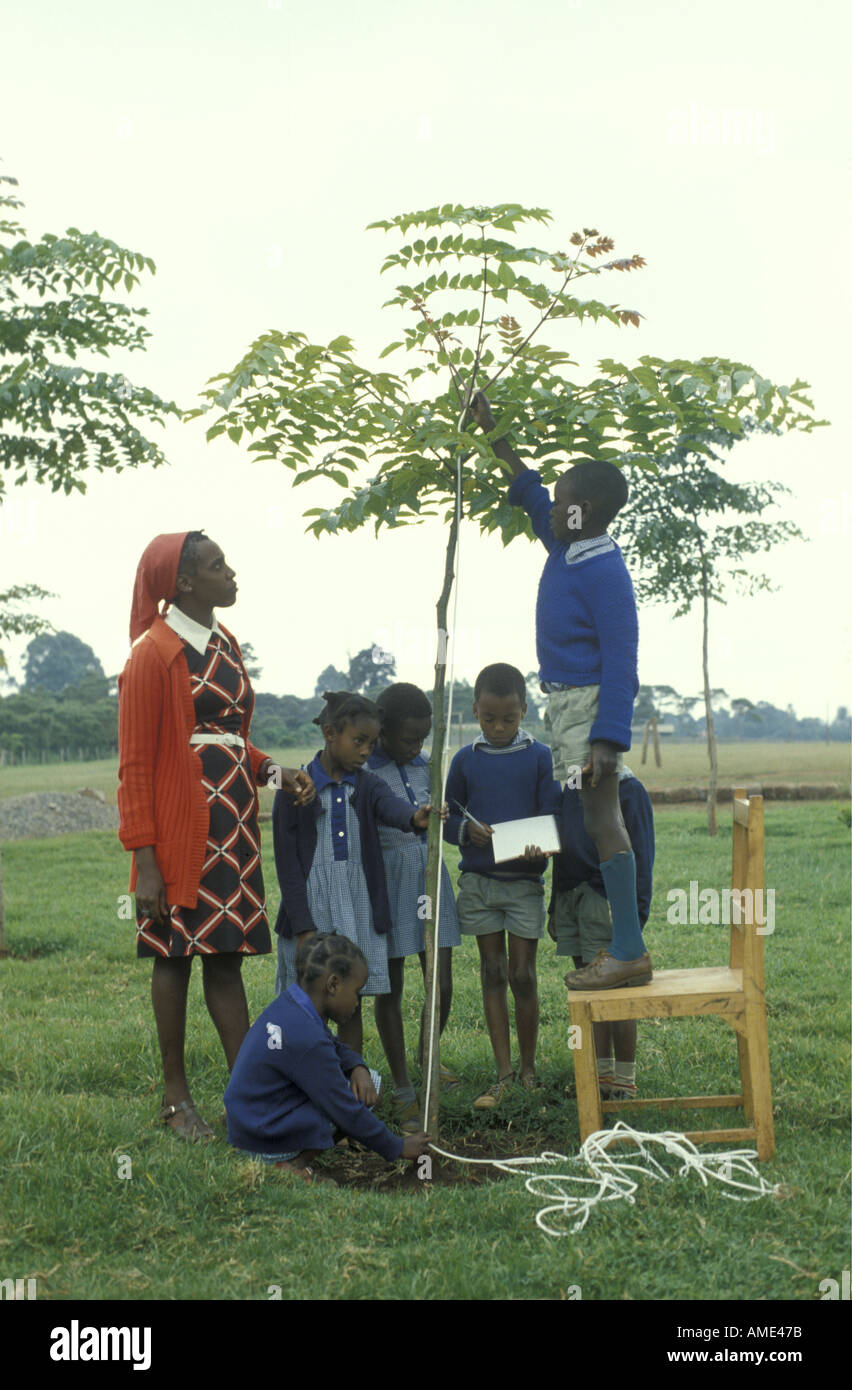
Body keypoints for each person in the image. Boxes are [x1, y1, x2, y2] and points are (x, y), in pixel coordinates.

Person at [117, 531, 314, 1141]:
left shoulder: (225, 643)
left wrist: (273, 771)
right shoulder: (154, 654)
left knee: (224, 960)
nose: (231, 573)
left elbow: (231, 738)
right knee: (174, 957)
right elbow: (136, 766)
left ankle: (247, 1095)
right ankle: (176, 1102)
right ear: (182, 584)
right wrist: (145, 862)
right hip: (180, 834)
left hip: (232, 826)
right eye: (216, 566)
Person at [469, 390, 650, 991]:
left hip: (590, 707)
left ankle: (626, 947)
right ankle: (620, 945)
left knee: (602, 820)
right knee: (588, 817)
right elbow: (527, 490)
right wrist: (494, 432)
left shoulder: (603, 569)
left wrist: (608, 736)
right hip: (568, 706)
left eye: (564, 503)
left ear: (587, 511)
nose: (552, 509)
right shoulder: (569, 548)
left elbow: (623, 658)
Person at [273, 690, 436, 1058]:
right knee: (306, 1010)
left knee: (349, 1005)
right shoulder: (295, 788)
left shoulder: (365, 785)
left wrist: (413, 817)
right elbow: (287, 869)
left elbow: (391, 806)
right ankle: (309, 1087)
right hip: (312, 916)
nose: (366, 751)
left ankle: (349, 1086)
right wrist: (304, 928)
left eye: (371, 742)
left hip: (356, 910)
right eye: (358, 741)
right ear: (330, 733)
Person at [444, 663, 562, 1109]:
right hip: (479, 882)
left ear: (524, 711)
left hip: (524, 884)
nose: (497, 727)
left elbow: (550, 813)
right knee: (492, 972)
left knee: (522, 974)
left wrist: (542, 846)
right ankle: (503, 1072)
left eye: (508, 719)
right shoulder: (465, 759)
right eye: (488, 718)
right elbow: (450, 815)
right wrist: (465, 831)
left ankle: (529, 1069)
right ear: (475, 710)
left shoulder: (539, 756)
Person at [224, 933, 431, 1181]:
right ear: (333, 985)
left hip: (250, 1125)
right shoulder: (308, 1040)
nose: (357, 1002)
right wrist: (397, 1147)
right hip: (262, 1140)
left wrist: (357, 1067)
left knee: (369, 1081)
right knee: (351, 1101)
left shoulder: (292, 1005)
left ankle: (290, 1159)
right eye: (356, 992)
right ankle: (292, 1167)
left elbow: (332, 1044)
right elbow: (344, 1109)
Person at [367, 683, 462, 1134]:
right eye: (408, 738)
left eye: (423, 738)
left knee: (440, 978)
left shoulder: (428, 767)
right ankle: (402, 1083)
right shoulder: (365, 771)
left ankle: (428, 1058)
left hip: (429, 874)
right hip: (387, 882)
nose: (417, 746)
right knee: (391, 983)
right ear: (382, 730)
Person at [550, 768, 655, 1099]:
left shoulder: (628, 789)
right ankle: (601, 1076)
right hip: (572, 897)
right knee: (588, 989)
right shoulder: (570, 787)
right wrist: (555, 904)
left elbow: (641, 855)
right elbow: (561, 849)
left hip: (606, 899)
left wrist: (633, 917)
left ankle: (624, 1079)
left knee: (617, 992)